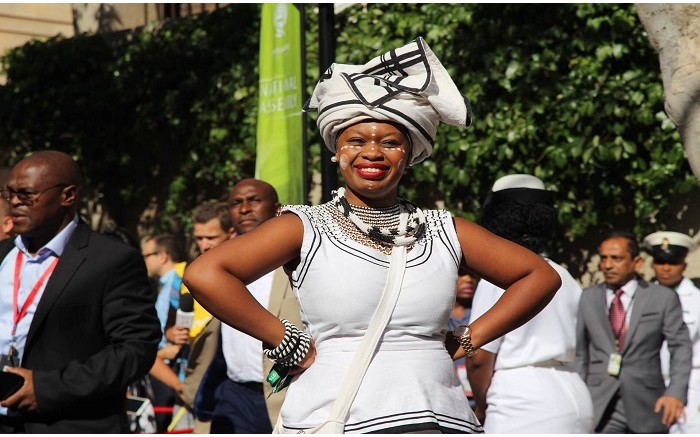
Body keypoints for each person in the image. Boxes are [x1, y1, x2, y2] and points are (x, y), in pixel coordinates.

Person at [184, 37, 561, 433]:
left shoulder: (443, 228)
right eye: (357, 141)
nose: (373, 153)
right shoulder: (305, 225)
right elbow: (205, 274)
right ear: (337, 150)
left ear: (410, 155)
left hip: (439, 416)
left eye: (391, 142)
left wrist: (468, 338)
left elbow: (539, 276)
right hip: (341, 417)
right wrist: (285, 339)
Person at [0, 150, 160, 432]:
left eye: (26, 194)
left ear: (68, 196)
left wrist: (48, 388)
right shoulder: (3, 255)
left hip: (68, 423)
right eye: (8, 193)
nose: (14, 202)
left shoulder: (112, 260)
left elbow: (136, 348)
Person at [467, 174, 593, 433]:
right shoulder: (564, 275)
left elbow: (479, 355)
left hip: (521, 398)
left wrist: (481, 404)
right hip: (574, 393)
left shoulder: (497, 277)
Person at [197, 179, 303, 433]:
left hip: (287, 392)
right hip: (234, 395)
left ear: (277, 209)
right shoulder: (215, 265)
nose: (244, 208)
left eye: (254, 200)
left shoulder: (301, 260)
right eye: (236, 203)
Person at [576, 231, 692, 433]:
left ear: (636, 262)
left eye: (616, 258)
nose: (608, 265)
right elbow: (580, 353)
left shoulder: (661, 298)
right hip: (600, 404)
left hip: (647, 403)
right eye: (603, 258)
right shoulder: (588, 298)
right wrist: (577, 397)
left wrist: (676, 393)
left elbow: (680, 347)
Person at [181, 200, 233, 433]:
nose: (204, 245)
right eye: (199, 238)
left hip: (237, 389)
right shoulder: (191, 274)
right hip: (198, 389)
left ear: (230, 233)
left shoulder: (245, 272)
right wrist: (173, 333)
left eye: (211, 238)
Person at [644, 231, 700, 433]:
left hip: (691, 386)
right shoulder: (642, 299)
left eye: (673, 262)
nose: (666, 268)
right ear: (652, 264)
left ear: (684, 265)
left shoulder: (697, 300)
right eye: (660, 262)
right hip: (649, 382)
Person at [140, 233, 189, 431]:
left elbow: (187, 327)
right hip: (160, 365)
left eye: (146, 255)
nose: (143, 261)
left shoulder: (178, 282)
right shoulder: (163, 284)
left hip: (172, 370)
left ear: (163, 256)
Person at [448, 264, 479, 401]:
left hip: (479, 393)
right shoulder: (434, 317)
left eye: (472, 275)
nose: (468, 280)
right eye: (461, 274)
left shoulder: (482, 313)